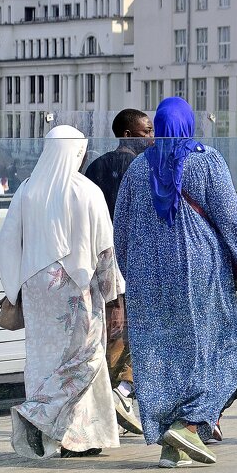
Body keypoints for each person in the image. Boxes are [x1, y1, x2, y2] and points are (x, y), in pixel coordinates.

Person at [113, 97, 237, 468]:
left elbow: (120, 232)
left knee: (161, 354)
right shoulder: (206, 160)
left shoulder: (138, 169)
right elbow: (231, 221)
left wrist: (134, 274)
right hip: (198, 273)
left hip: (147, 277)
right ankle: (190, 425)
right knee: (215, 348)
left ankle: (173, 444)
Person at [0, 125, 124, 460]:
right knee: (90, 356)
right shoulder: (86, 190)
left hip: (37, 288)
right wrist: (113, 297)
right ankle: (37, 415)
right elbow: (105, 250)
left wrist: (14, 287)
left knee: (44, 362)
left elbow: (8, 242)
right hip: (76, 287)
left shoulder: (27, 190)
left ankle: (72, 438)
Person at [83, 108, 155, 435]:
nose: (152, 139)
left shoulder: (94, 167)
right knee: (135, 334)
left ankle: (110, 403)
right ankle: (120, 394)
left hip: (99, 263)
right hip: (134, 263)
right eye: (146, 132)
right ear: (128, 134)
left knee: (112, 336)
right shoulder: (142, 168)